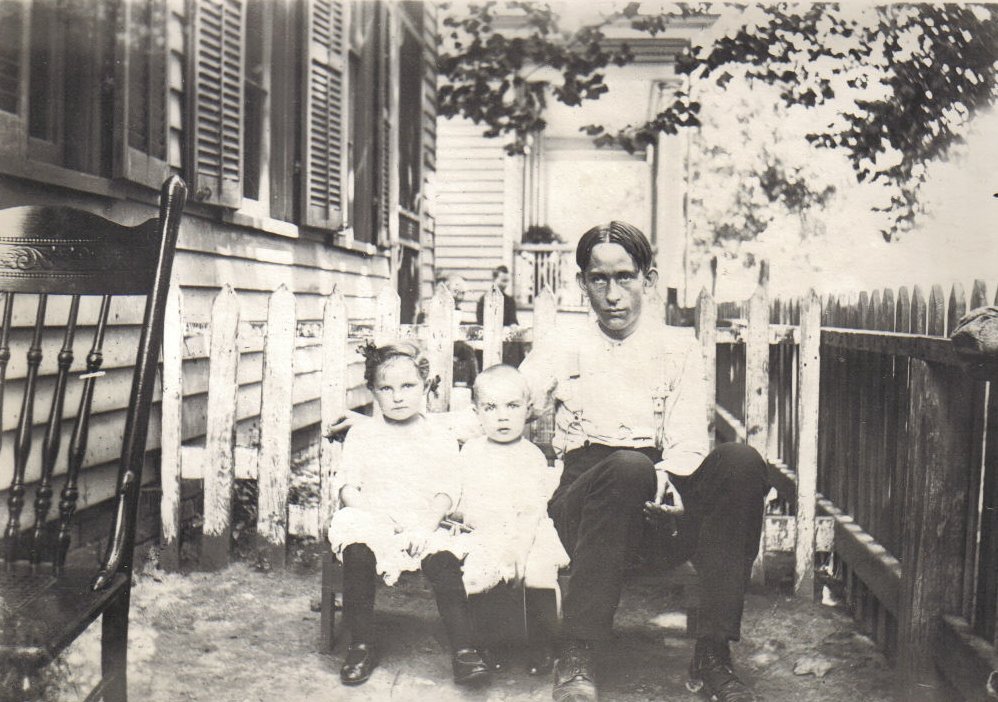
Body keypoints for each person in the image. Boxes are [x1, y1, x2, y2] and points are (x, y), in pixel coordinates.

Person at [517, 221, 769, 702]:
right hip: (586, 505)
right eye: (599, 279)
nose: (613, 294)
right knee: (628, 466)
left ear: (649, 281)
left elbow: (689, 436)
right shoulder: (562, 342)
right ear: (582, 283)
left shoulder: (677, 346)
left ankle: (713, 652)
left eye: (626, 277)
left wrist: (671, 481)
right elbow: (506, 401)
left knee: (741, 461)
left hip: (659, 505)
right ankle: (578, 651)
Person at [327, 341, 490, 688]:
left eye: (407, 386)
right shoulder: (363, 434)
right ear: (372, 390)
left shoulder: (438, 436)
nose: (397, 396)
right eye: (386, 388)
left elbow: (446, 491)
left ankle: (464, 649)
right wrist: (373, 515)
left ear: (426, 386)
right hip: (374, 518)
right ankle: (360, 644)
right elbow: (348, 487)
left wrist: (423, 527)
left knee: (443, 561)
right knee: (358, 550)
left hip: (423, 520)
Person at [451, 364, 569, 674]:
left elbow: (532, 509)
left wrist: (518, 547)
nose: (502, 416)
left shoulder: (530, 455)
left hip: (528, 531)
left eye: (512, 406)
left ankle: (544, 645)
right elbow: (462, 497)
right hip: (486, 530)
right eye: (491, 407)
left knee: (538, 572)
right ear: (476, 412)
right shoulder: (471, 452)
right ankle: (490, 643)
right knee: (479, 573)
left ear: (528, 409)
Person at [418, 272, 479, 388]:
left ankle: (473, 384)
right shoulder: (434, 306)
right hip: (435, 343)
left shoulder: (457, 309)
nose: (460, 297)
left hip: (449, 342)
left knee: (468, 351)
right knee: (467, 351)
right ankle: (474, 383)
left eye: (462, 293)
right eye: (456, 292)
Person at [475, 265, 525, 367]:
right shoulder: (483, 300)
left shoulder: (510, 301)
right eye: (502, 280)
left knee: (515, 344)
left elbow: (513, 319)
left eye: (507, 281)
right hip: (489, 337)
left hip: (505, 338)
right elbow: (480, 321)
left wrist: (513, 325)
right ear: (494, 279)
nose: (505, 284)